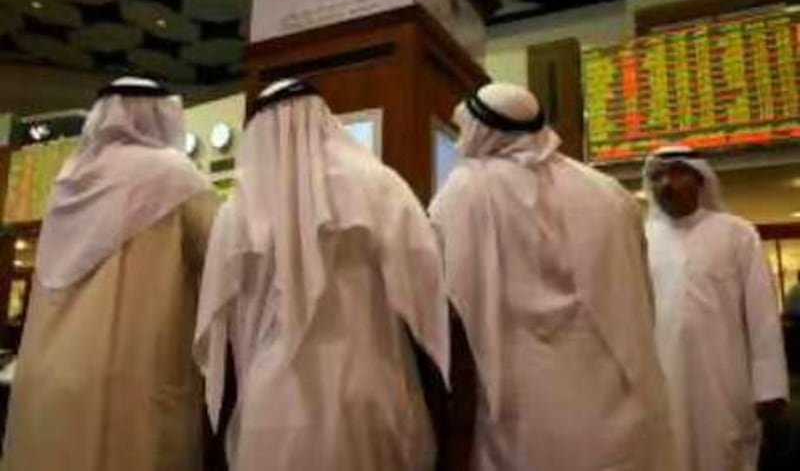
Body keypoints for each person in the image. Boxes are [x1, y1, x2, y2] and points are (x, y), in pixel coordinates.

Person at [193, 79, 449, 471]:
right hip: (367, 385)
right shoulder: (378, 184)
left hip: (272, 398)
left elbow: (216, 313)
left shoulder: (239, 210)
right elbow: (425, 276)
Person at [429, 83, 675, 471]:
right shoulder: (608, 191)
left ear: (483, 129)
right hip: (618, 400)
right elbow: (643, 294)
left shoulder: (468, 189)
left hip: (528, 413)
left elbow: (447, 296)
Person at [2, 77, 217, 471]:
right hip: (134, 377)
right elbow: (221, 260)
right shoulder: (175, 176)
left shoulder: (68, 181)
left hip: (54, 375)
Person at [644, 145, 789, 471]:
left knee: (724, 453)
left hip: (725, 378)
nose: (666, 183)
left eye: (678, 173)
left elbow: (761, 315)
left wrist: (769, 386)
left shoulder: (736, 234)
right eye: (657, 176)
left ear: (700, 180)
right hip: (662, 380)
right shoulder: (642, 238)